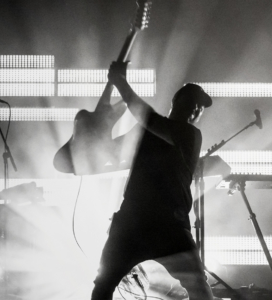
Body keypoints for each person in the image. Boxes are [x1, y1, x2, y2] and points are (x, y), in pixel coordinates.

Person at [91, 61, 214, 300]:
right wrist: (98, 128)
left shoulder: (190, 135)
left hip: (169, 224)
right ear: (177, 101)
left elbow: (150, 119)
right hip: (134, 221)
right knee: (102, 287)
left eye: (201, 106)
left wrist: (121, 84)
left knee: (199, 289)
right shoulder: (145, 131)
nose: (198, 109)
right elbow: (104, 152)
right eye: (193, 101)